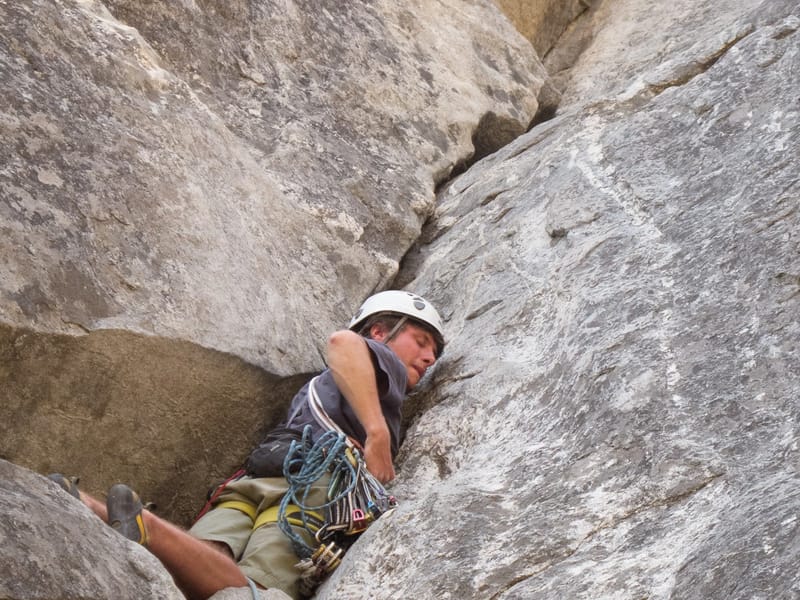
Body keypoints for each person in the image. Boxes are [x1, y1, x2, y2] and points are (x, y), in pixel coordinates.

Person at [49, 290, 445, 600]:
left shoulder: (320, 389)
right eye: (421, 340)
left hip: (258, 477)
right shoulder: (382, 361)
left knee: (201, 560)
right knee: (257, 590)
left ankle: (90, 507)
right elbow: (343, 342)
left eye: (433, 352)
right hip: (316, 488)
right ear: (379, 332)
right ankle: (147, 525)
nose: (428, 358)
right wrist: (378, 435)